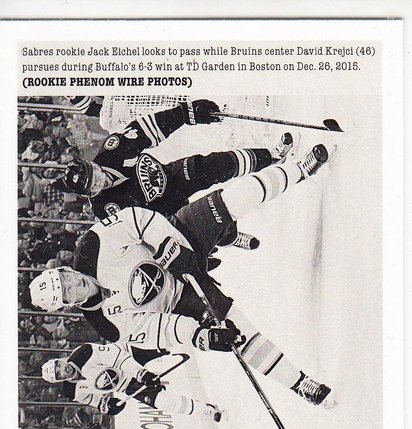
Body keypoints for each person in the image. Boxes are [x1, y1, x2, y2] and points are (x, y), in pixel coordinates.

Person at [30, 143, 335, 408]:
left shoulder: (91, 247)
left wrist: (169, 247)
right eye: (67, 291)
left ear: (65, 269)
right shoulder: (105, 324)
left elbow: (136, 219)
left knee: (230, 199)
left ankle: (299, 168)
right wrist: (199, 336)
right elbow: (158, 328)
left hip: (178, 239)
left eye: (65, 277)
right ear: (68, 304)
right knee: (236, 334)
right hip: (181, 297)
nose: (74, 283)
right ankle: (300, 383)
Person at [58, 98, 295, 251]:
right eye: (94, 187)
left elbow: (149, 128)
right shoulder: (105, 209)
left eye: (96, 174)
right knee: (209, 217)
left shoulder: (112, 151)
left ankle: (271, 157)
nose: (101, 181)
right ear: (89, 194)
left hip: (170, 177)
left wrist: (186, 114)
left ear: (94, 165)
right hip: (166, 213)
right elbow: (140, 233)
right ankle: (230, 238)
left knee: (214, 165)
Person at [41, 342, 222, 420]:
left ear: (60, 360)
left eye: (59, 365)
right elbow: (92, 399)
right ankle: (204, 410)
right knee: (162, 402)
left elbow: (119, 358)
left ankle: (207, 342)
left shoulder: (84, 352)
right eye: (59, 374)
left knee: (170, 347)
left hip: (130, 353)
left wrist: (141, 373)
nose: (63, 369)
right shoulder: (71, 391)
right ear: (60, 380)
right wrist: (106, 406)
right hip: (126, 384)